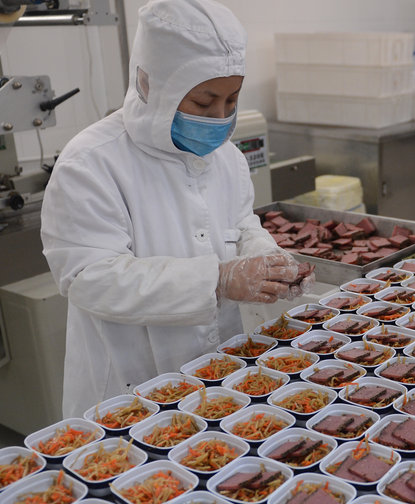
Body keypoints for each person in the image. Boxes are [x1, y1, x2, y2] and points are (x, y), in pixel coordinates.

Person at [40, 0, 311, 419]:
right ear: (151, 86)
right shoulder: (91, 162)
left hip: (222, 376)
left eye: (231, 100)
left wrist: (264, 257)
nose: (220, 118)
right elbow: (88, 277)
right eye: (204, 104)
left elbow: (240, 224)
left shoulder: (228, 158)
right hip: (129, 388)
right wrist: (217, 280)